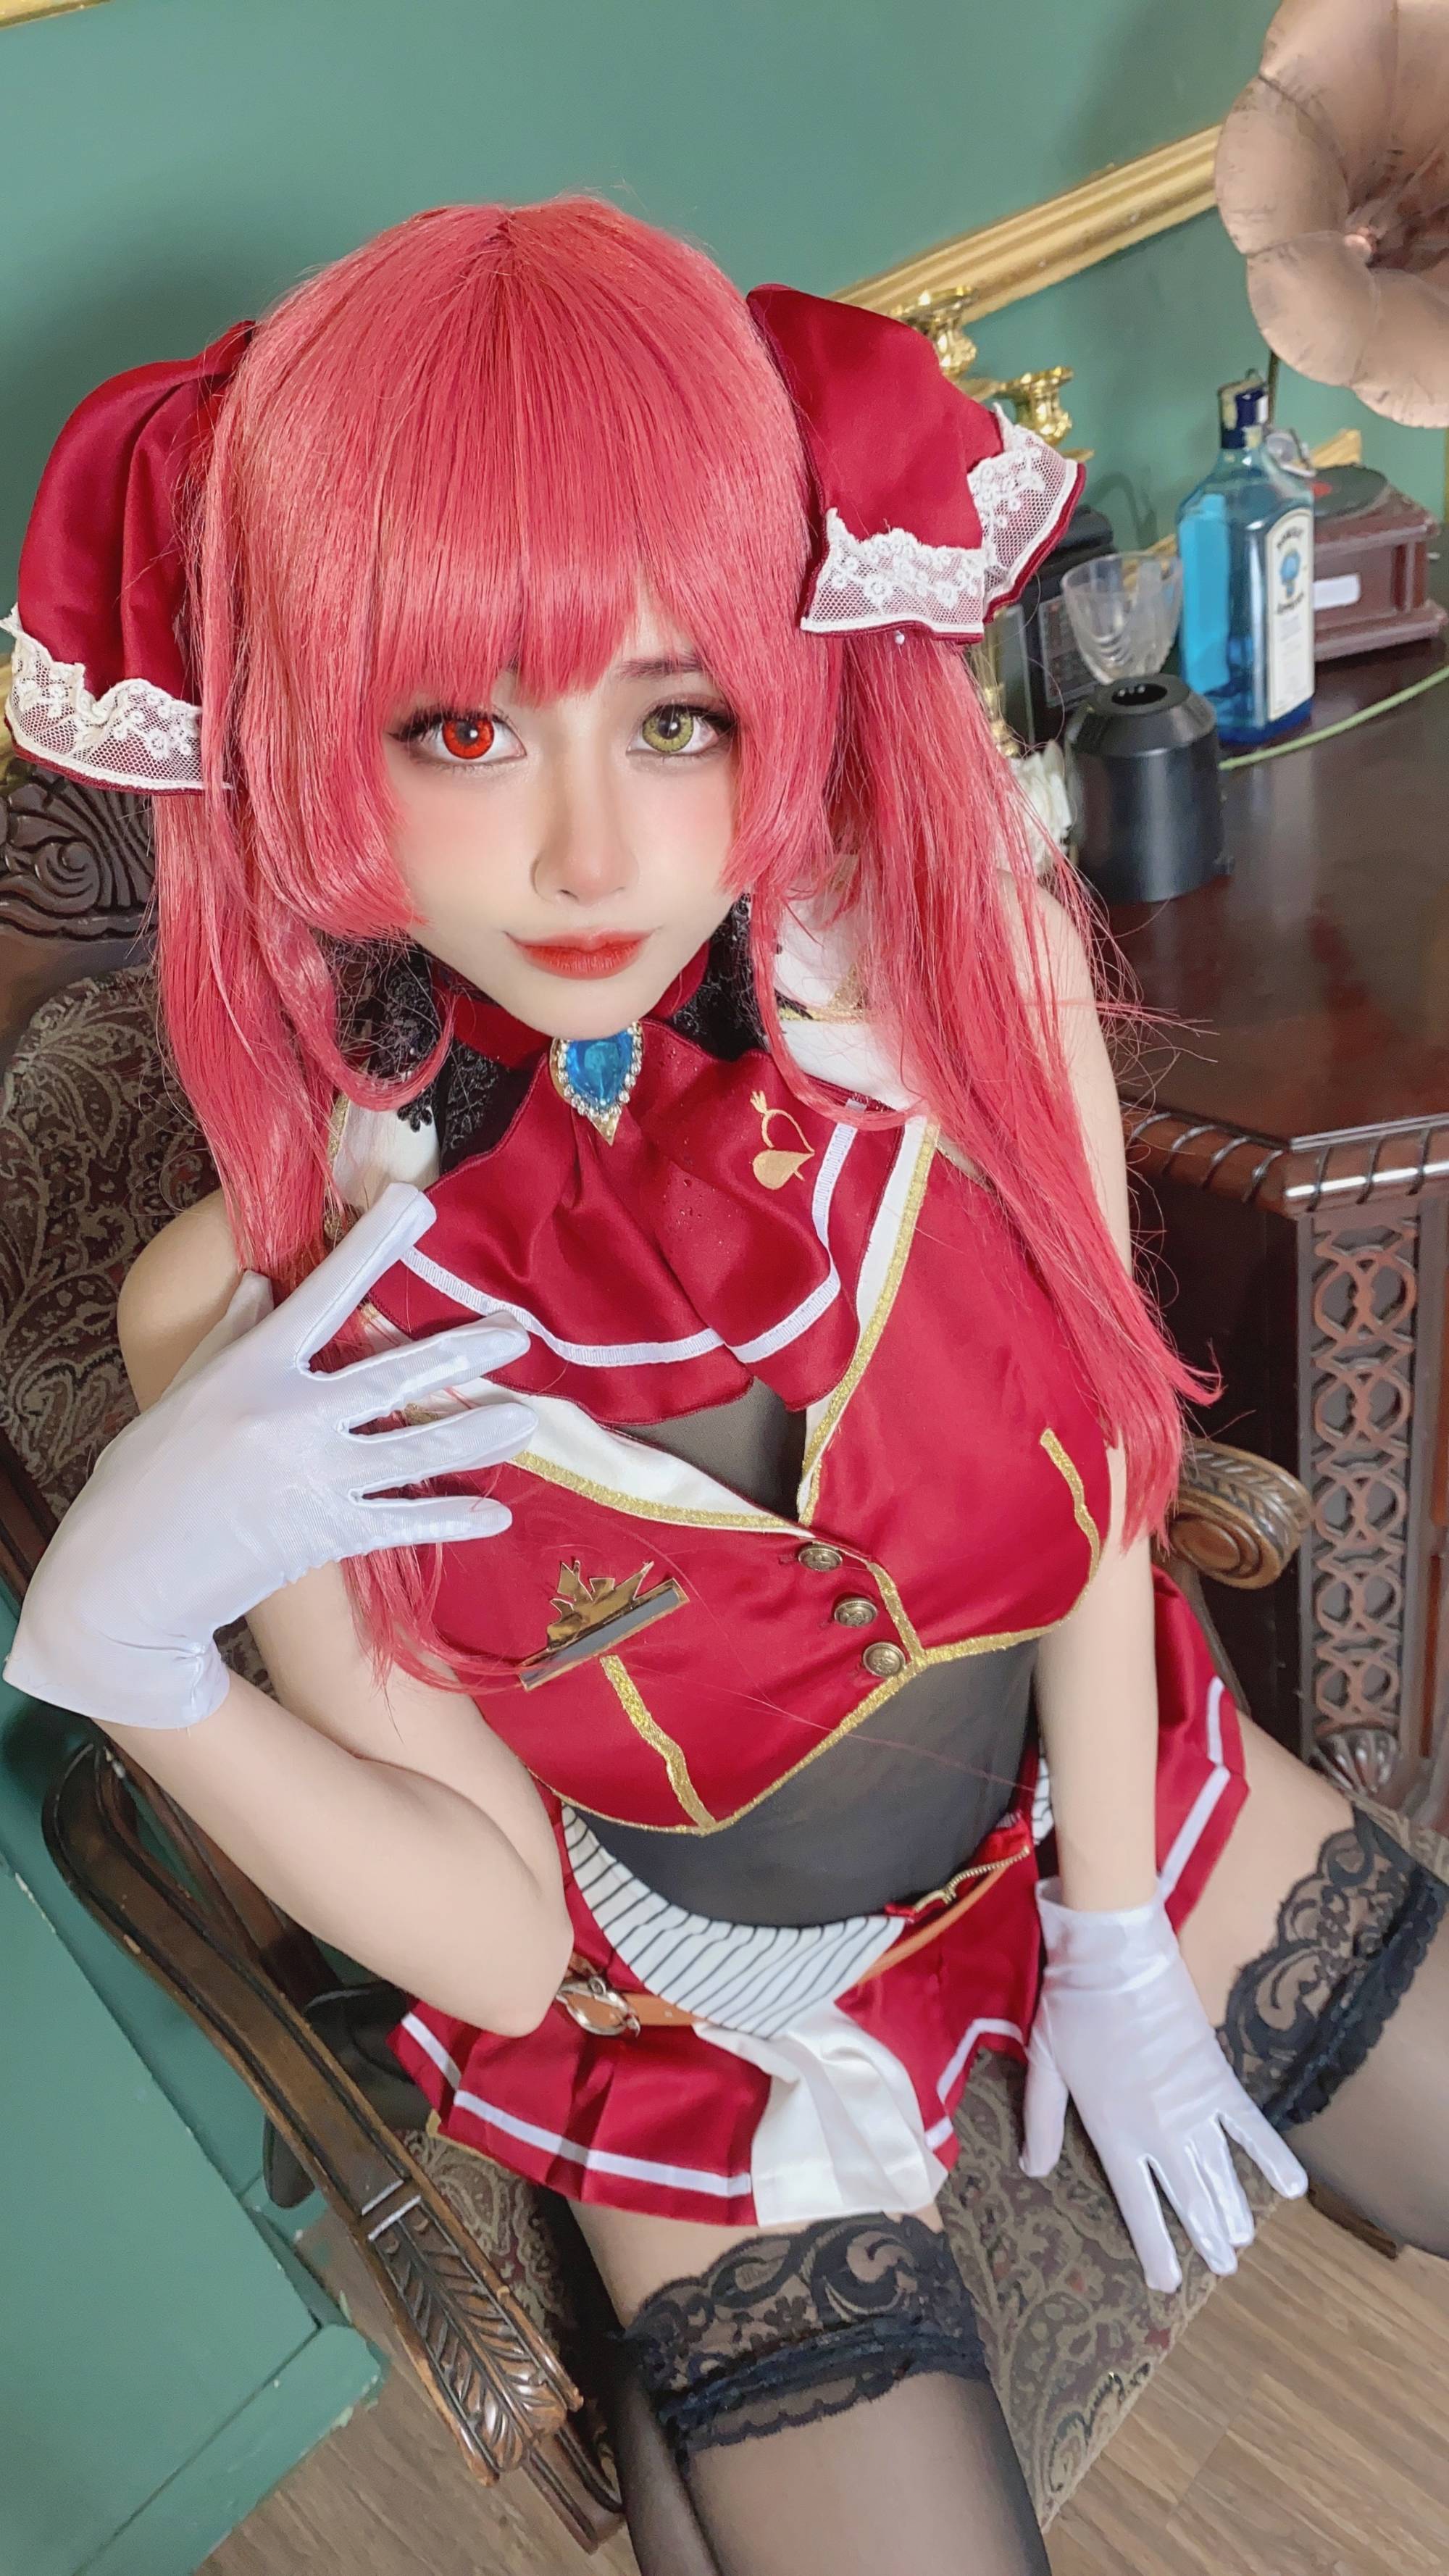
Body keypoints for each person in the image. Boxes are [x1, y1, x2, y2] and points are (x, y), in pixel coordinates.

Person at [4, 199, 1448, 2576]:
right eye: (465, 727)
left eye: (676, 715)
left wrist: (1111, 1918)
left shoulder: (948, 971)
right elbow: (492, 1934)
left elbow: (1100, 1455)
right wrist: (132, 1660)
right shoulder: (255, 1312)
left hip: (1088, 1779)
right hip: (700, 2003)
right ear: (313, 742)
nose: (597, 847)